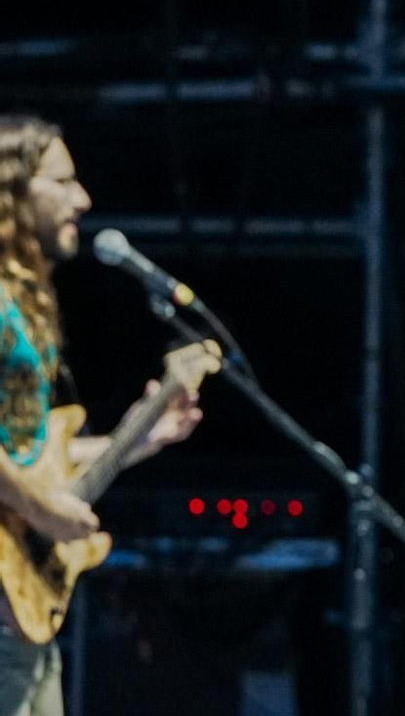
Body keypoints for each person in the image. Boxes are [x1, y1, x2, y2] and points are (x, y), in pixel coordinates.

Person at [0, 116, 203, 716]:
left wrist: (141, 436)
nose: (82, 199)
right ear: (10, 189)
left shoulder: (25, 302)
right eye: (60, 181)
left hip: (24, 608)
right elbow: (33, 488)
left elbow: (31, 454)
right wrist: (40, 508)